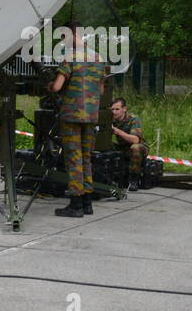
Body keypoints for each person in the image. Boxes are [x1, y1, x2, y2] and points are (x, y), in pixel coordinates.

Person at [48, 20, 109, 217]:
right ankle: (87, 202)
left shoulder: (70, 57)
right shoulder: (99, 58)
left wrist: (49, 86)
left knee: (74, 159)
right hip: (91, 115)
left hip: (72, 115)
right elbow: (100, 89)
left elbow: (57, 87)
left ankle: (75, 205)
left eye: (64, 37)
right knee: (86, 158)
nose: (63, 42)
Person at [110, 97, 147, 190]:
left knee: (135, 148)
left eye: (117, 109)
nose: (114, 112)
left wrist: (118, 132)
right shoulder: (111, 119)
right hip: (122, 147)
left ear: (124, 109)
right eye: (112, 109)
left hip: (138, 147)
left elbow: (135, 140)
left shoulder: (133, 119)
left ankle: (133, 179)